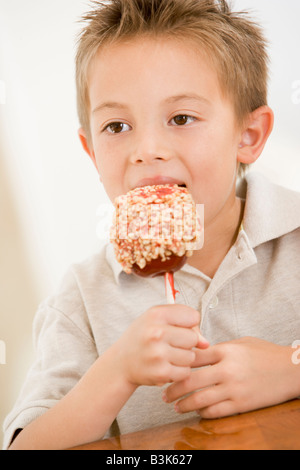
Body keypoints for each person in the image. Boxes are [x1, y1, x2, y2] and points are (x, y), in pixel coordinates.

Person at [3, 0, 300, 450]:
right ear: (92, 154)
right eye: (117, 126)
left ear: (248, 136)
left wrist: (290, 367)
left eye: (181, 118)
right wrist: (116, 372)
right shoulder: (80, 299)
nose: (147, 149)